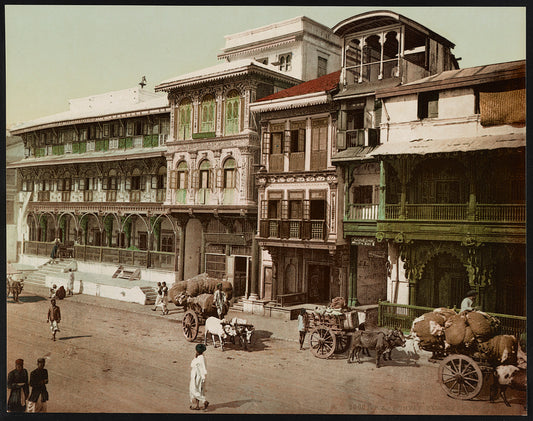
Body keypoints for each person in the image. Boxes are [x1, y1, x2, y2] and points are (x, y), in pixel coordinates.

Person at [189, 343, 208, 411]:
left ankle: (204, 401)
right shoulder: (199, 357)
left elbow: (203, 368)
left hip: (198, 376)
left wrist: (203, 377)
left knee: (194, 390)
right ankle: (197, 405)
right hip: (195, 375)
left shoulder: (201, 358)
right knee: (198, 390)